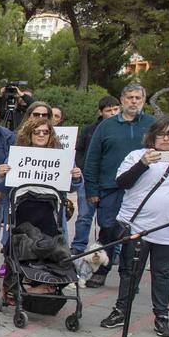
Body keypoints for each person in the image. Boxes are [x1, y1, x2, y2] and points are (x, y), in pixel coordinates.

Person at [97, 116, 169, 337]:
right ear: (153, 135)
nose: (166, 139)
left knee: (162, 273)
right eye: (162, 134)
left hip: (168, 229)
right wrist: (143, 164)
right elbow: (122, 182)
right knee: (129, 271)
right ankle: (121, 310)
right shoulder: (136, 156)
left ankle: (161, 316)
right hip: (136, 225)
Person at [82, 83, 150, 287]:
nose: (134, 101)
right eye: (130, 97)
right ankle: (101, 270)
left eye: (138, 98)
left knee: (135, 234)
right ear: (122, 100)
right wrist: (92, 189)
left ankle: (129, 277)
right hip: (110, 188)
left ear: (144, 100)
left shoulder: (152, 124)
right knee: (108, 229)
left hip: (140, 189)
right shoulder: (106, 126)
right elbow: (92, 159)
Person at [71, 94, 121, 259]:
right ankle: (78, 246)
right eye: (108, 110)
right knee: (85, 216)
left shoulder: (122, 129)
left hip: (112, 181)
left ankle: (113, 250)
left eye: (116, 109)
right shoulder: (90, 130)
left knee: (112, 219)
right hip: (89, 179)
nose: (113, 113)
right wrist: (83, 170)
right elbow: (80, 152)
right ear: (101, 112)